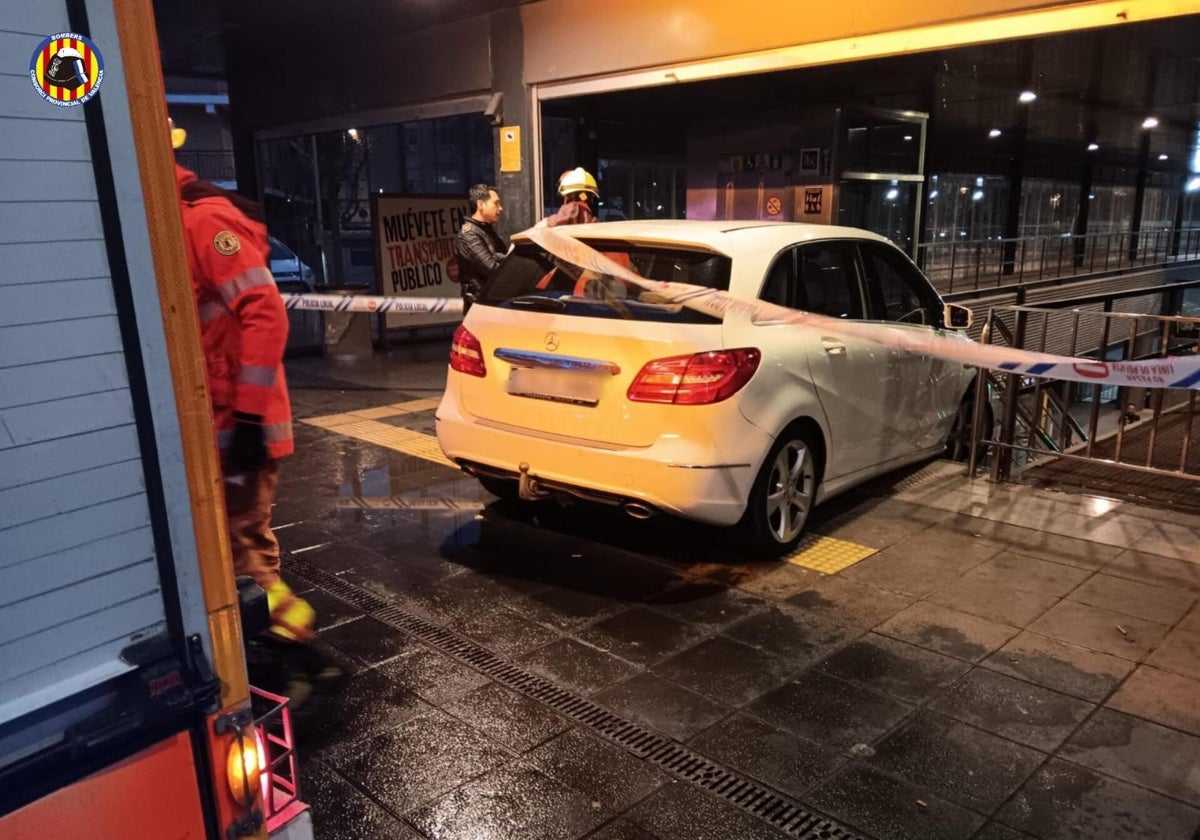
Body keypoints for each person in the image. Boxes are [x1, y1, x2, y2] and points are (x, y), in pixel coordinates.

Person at [171, 119, 343, 714]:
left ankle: (305, 655)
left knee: (245, 555)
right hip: (221, 425)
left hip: (237, 429)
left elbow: (265, 314)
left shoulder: (203, 222)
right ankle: (289, 652)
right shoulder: (182, 219)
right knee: (233, 554)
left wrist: (245, 422)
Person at [453, 183, 505, 314]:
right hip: (480, 307)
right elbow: (491, 269)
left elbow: (506, 258)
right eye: (496, 203)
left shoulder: (486, 231)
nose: (500, 208)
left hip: (491, 304)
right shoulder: (469, 235)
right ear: (481, 205)